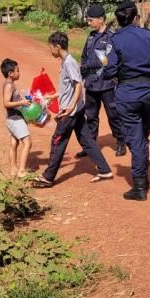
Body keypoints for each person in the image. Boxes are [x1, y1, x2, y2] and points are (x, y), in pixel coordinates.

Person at [102, 0, 150, 201]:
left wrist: (109, 67)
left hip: (128, 93)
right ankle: (142, 167)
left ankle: (139, 186)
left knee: (135, 138)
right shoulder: (149, 35)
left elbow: (109, 71)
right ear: (135, 16)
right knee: (143, 134)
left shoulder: (115, 40)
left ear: (119, 19)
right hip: (148, 91)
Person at [32, 31, 113, 188]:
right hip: (76, 109)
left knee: (57, 141)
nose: (50, 51)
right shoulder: (65, 62)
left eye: (51, 47)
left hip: (70, 112)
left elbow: (78, 85)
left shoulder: (69, 62)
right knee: (87, 140)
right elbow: (68, 87)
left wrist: (70, 107)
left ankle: (48, 177)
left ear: (57, 46)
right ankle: (104, 169)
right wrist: (54, 96)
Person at [77, 3, 126, 158]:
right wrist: (83, 71)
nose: (89, 22)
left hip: (107, 84)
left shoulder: (112, 37)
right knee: (91, 116)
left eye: (91, 20)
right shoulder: (91, 37)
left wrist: (87, 66)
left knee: (113, 114)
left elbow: (106, 61)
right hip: (91, 83)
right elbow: (85, 57)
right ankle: (90, 145)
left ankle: (120, 142)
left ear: (100, 19)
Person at [0, 58, 33, 178]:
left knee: (14, 143)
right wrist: (22, 103)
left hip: (11, 119)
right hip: (15, 119)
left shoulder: (9, 84)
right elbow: (6, 103)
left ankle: (13, 169)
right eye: (17, 71)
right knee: (28, 143)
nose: (19, 73)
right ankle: (21, 170)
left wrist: (22, 100)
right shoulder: (9, 85)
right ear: (10, 73)